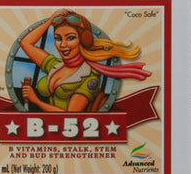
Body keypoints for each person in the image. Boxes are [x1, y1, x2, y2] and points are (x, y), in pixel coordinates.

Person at [20, 9, 151, 113]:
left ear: (84, 40)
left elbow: (71, 116)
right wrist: (49, 22)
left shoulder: (90, 77)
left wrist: (36, 101)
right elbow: (25, 43)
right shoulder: (55, 65)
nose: (62, 45)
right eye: (58, 38)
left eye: (70, 38)